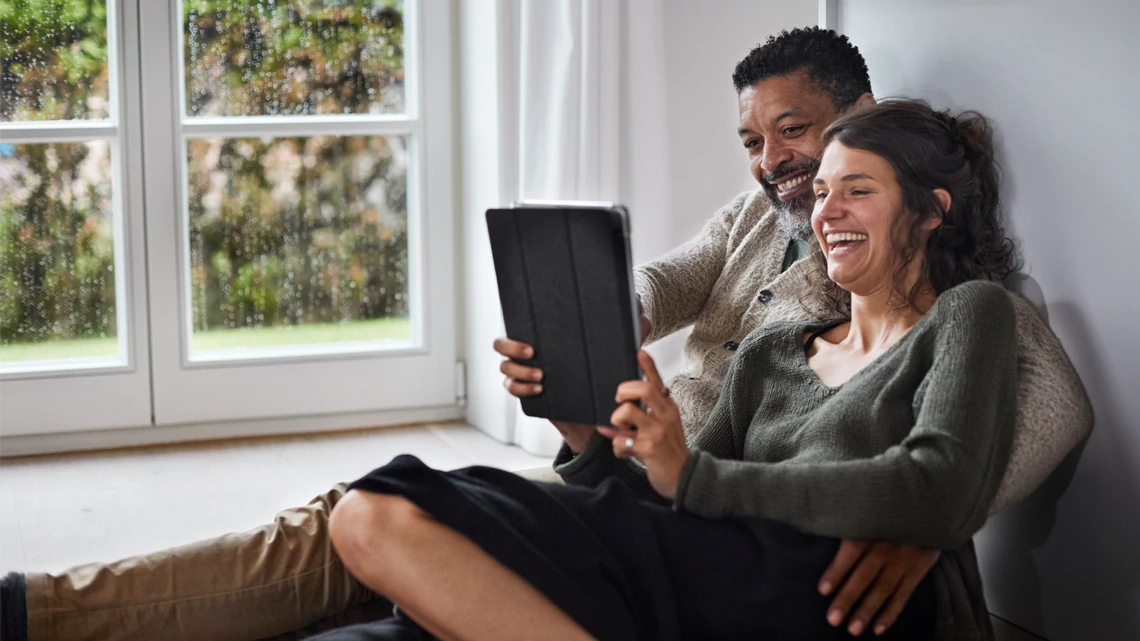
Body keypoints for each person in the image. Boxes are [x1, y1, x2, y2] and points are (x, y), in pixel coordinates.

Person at [0, 28, 1091, 641]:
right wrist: (589, 364)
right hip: (645, 495)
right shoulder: (767, 229)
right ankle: (34, 612)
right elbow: (669, 284)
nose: (778, 167)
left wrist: (919, 520)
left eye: (800, 137)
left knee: (373, 521)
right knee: (357, 577)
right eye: (758, 142)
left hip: (722, 545)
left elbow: (1019, 426)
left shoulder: (970, 305)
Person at [314, 98, 1023, 641]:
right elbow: (674, 508)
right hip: (717, 579)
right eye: (824, 191)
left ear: (931, 211)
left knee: (381, 512)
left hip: (836, 599)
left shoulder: (968, 313)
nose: (824, 210)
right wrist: (590, 435)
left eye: (857, 190)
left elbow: (938, 485)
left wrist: (692, 476)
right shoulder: (772, 352)